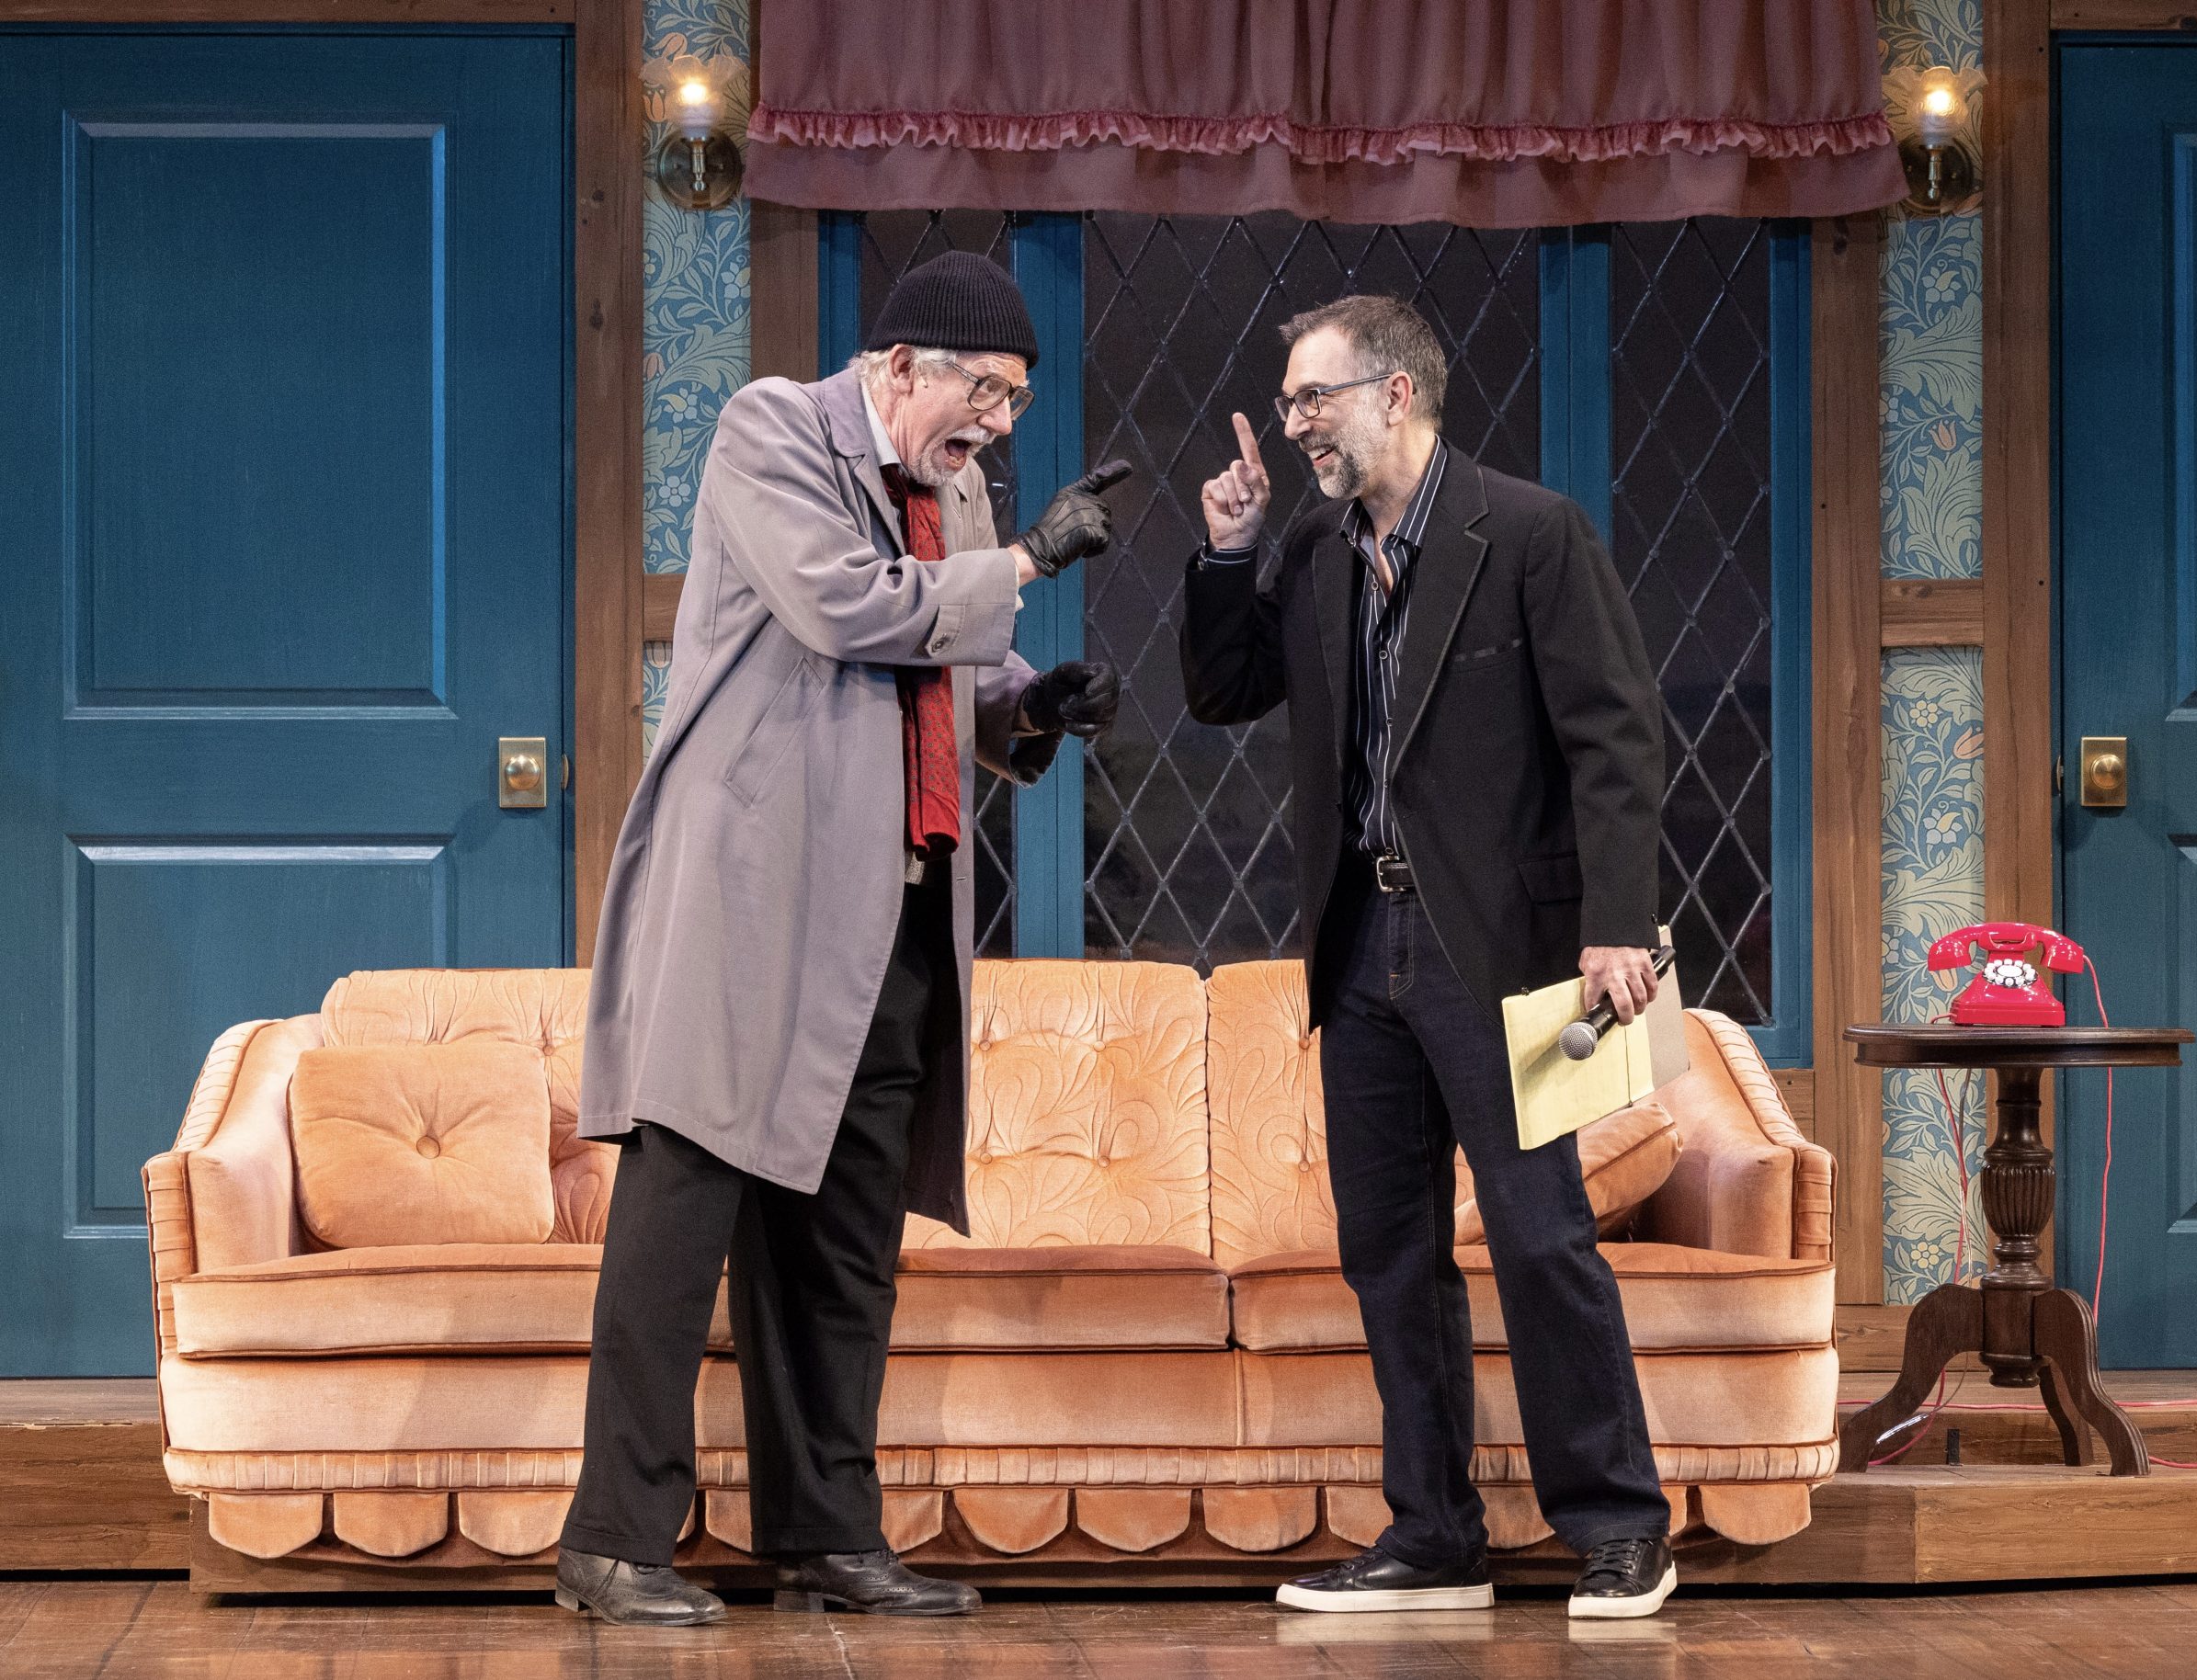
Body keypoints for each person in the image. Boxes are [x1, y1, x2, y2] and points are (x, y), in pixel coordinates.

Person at [555, 252, 1126, 1625]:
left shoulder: (953, 484)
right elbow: (844, 604)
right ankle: (612, 1542)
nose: (999, 424)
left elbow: (954, 662)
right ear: (903, 366)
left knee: (849, 1234)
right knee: (683, 1210)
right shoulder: (772, 431)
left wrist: (1034, 704)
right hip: (755, 893)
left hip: (898, 901)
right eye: (986, 391)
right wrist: (1028, 562)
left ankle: (826, 1533)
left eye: (1016, 401)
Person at [1181, 295, 1677, 1620]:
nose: (1296, 425)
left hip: (1509, 951)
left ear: (1395, 393)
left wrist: (1615, 925)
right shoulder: (1315, 548)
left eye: (1314, 398)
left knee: (1540, 1239)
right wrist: (1228, 550)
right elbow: (1223, 690)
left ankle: (1620, 1525)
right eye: (1288, 402)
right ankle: (1435, 1537)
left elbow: (1617, 739)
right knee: (1390, 1252)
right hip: (1362, 946)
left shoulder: (1529, 533)